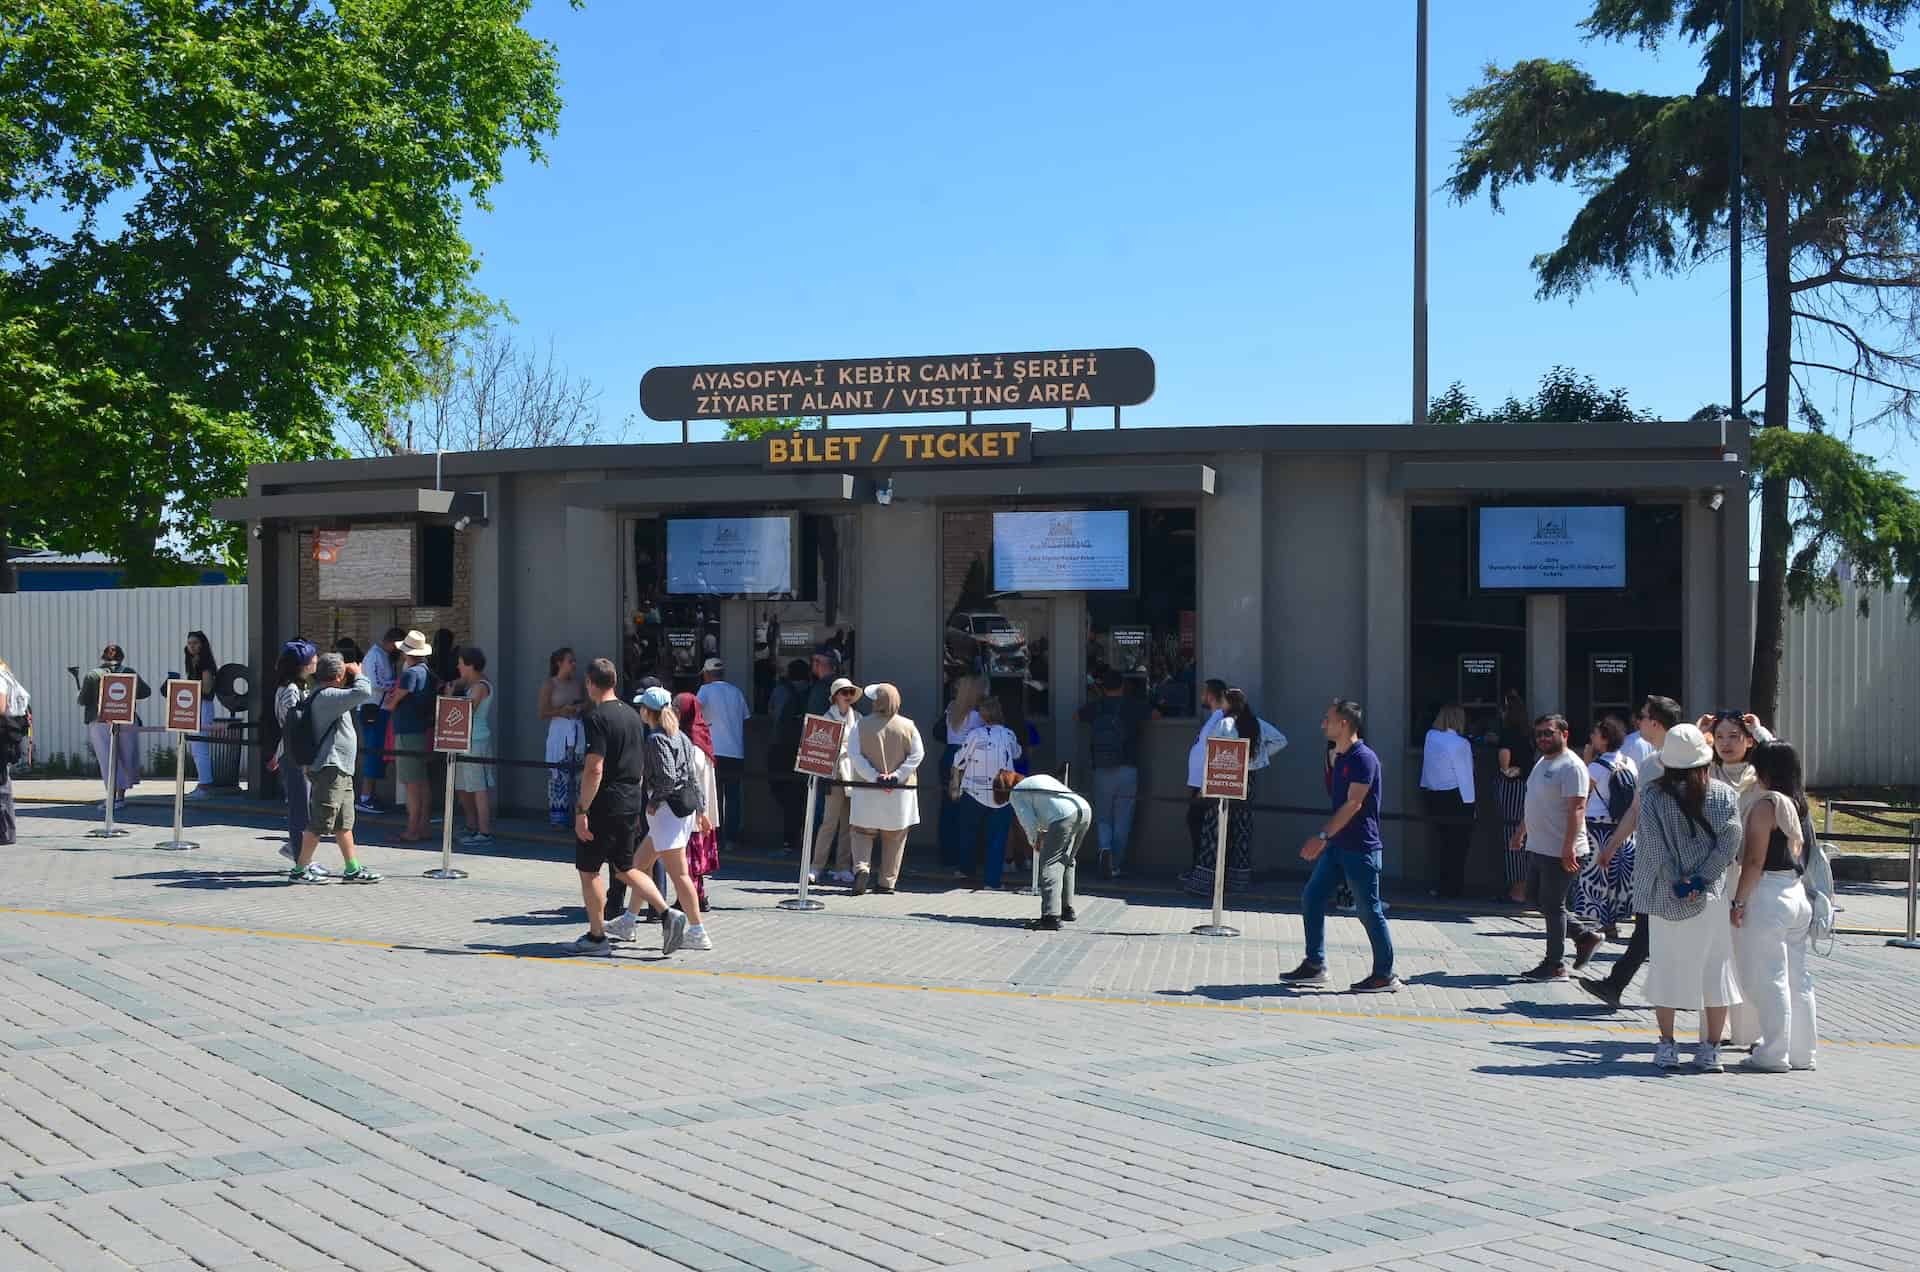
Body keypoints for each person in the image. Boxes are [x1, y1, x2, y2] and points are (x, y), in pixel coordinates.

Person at [1632, 724, 1743, 1071]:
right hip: (1710, 896)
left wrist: (1677, 880)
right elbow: (1730, 841)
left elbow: (1652, 845)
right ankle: (1710, 1050)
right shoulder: (1725, 795)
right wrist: (1702, 878)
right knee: (1715, 970)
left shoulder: (1653, 795)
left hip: (1666, 897)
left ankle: (1667, 1045)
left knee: (1665, 968)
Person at [1283, 700, 1399, 993]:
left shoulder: (1363, 758)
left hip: (1360, 848)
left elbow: (1353, 803)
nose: (1323, 724)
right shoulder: (1339, 756)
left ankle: (1385, 975)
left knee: (1368, 910)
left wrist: (1321, 837)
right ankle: (1315, 965)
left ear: (1344, 723)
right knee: (1312, 896)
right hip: (1338, 845)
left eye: (1328, 719)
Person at [572, 663, 686, 957]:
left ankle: (597, 937)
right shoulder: (632, 716)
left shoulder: (596, 717)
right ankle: (666, 912)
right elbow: (638, 765)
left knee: (589, 871)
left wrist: (582, 810)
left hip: (604, 802)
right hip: (629, 800)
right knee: (625, 867)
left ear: (590, 683)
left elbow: (594, 768)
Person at [1581, 694, 1685, 1010]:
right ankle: (1618, 984)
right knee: (1647, 926)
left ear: (1654, 722)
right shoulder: (1653, 761)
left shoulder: (1673, 761)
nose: (1637, 722)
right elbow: (1637, 810)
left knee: (1661, 928)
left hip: (1676, 859)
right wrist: (1612, 845)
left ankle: (1676, 991)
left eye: (1642, 716)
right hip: (1653, 857)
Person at [1730, 740, 1820, 1073]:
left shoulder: (1766, 805)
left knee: (1769, 977)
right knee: (1798, 978)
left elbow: (1754, 860)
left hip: (1768, 893)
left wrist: (1739, 900)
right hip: (1795, 892)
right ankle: (1802, 1052)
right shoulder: (1800, 802)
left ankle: (1773, 1052)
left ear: (1766, 770)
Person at [608, 687, 714, 950]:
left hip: (666, 814)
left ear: (648, 711)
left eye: (641, 707)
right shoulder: (682, 737)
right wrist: (701, 811)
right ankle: (629, 921)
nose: (639, 710)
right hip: (679, 813)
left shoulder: (656, 739)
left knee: (679, 875)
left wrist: (654, 801)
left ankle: (698, 931)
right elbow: (691, 778)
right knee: (639, 866)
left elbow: (668, 778)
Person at [1509, 715, 1603, 981]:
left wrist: (1569, 846)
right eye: (1538, 734)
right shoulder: (1542, 762)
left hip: (1562, 851)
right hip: (1540, 847)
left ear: (1564, 734)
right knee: (1535, 899)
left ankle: (1555, 965)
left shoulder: (1571, 766)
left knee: (1553, 905)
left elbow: (1577, 808)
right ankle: (1585, 936)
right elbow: (1534, 802)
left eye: (1548, 733)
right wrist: (1520, 832)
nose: (1542, 738)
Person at [289, 653, 383, 885]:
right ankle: (300, 869)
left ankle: (352, 869)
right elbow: (363, 692)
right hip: (330, 768)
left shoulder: (330, 696)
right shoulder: (328, 695)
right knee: (321, 821)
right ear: (339, 676)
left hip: (340, 769)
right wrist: (359, 673)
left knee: (343, 822)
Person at [1184, 688, 1266, 899]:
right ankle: (1238, 881)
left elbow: (1212, 751)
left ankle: (1205, 882)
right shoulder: (1254, 722)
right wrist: (1255, 760)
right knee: (1242, 829)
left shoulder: (1225, 723)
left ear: (1228, 704)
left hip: (1224, 777)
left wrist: (1205, 784)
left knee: (1214, 828)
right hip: (1247, 780)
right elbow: (1279, 739)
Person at [848, 683, 924, 895]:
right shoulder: (908, 726)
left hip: (867, 789)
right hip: (899, 792)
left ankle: (862, 867)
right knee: (895, 837)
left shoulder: (861, 725)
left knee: (861, 832)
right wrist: (896, 776)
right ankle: (887, 882)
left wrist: (875, 777)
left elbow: (855, 755)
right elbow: (917, 755)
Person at [1076, 669, 1151, 880]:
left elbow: (1076, 716)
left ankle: (1104, 851)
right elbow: (1156, 715)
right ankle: (1115, 864)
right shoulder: (1133, 705)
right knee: (1123, 818)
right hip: (1128, 768)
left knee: (1103, 816)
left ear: (1103, 687)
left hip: (1101, 768)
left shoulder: (1097, 706)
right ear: (1123, 686)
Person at [996, 769, 1092, 930]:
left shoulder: (1016, 793)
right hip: (1084, 810)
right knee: (1067, 861)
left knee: (1049, 864)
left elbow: (1029, 822)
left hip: (1064, 817)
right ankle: (1066, 909)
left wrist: (1034, 841)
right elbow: (1050, 807)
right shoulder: (1040, 778)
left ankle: (1051, 917)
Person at [1570, 714, 1638, 937]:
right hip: (1622, 827)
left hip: (1597, 826)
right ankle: (1612, 922)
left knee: (1595, 876)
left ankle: (1596, 923)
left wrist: (1587, 761)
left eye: (1596, 734)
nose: (1591, 736)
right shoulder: (1629, 762)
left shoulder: (1597, 767)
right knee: (1617, 877)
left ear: (1605, 739)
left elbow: (1582, 792)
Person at [949, 697, 1023, 888]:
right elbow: (1017, 753)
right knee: (997, 838)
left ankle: (965, 870)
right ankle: (992, 881)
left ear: (982, 716)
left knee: (968, 832)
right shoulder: (1008, 734)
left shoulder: (974, 734)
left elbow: (959, 760)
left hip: (974, 790)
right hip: (1001, 792)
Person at [78, 644, 150, 807]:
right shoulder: (129, 672)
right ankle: (120, 797)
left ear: (103, 657)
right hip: (126, 718)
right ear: (121, 657)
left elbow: (83, 700)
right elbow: (146, 692)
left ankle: (111, 796)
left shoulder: (92, 675)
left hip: (100, 720)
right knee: (125, 757)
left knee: (107, 759)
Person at [269, 640, 319, 867]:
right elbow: (292, 725)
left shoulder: (299, 686)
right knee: (300, 809)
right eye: (312, 657)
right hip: (294, 755)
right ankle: (302, 861)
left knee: (304, 805)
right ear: (302, 664)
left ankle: (298, 851)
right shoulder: (290, 690)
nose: (316, 660)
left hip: (294, 753)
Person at [1418, 703, 1476, 898]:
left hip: (1433, 794)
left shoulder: (1430, 737)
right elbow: (1465, 776)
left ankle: (1442, 886)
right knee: (1458, 845)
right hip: (1456, 797)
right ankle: (1454, 888)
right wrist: (1471, 805)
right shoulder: (1461, 744)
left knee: (1442, 843)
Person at [384, 630, 435, 841]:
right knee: (422, 782)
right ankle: (423, 826)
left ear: (407, 653)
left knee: (411, 785)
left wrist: (391, 700)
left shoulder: (410, 674)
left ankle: (412, 830)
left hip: (407, 732)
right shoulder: (428, 673)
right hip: (422, 730)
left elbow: (393, 701)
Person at [808, 677, 861, 886]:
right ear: (835, 696)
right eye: (844, 692)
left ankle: (843, 866)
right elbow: (822, 748)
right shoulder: (825, 718)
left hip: (854, 776)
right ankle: (816, 866)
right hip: (834, 775)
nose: (848, 696)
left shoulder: (858, 717)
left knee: (849, 824)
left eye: (850, 693)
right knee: (828, 823)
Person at [673, 691, 720, 911]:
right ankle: (698, 896)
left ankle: (688, 899)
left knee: (689, 858)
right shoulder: (702, 735)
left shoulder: (691, 742)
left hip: (693, 811)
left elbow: (692, 775)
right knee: (694, 857)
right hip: (702, 810)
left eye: (677, 708)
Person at [1180, 679, 1229, 888]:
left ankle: (1202, 871)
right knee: (1196, 824)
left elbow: (1216, 752)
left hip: (1205, 786)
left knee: (1199, 825)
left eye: (1204, 692)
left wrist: (1205, 785)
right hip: (1200, 784)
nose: (1201, 696)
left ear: (1210, 695)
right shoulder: (1214, 718)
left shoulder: (1220, 719)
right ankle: (1199, 869)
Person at [696, 658, 750, 849]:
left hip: (715, 751)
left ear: (708, 674)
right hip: (736, 751)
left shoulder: (705, 690)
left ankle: (715, 838)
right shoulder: (736, 692)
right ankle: (732, 839)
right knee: (733, 797)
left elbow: (694, 711)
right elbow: (746, 717)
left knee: (714, 797)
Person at [937, 675, 986, 875]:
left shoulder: (951, 709)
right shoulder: (976, 716)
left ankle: (947, 855)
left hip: (949, 755)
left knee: (947, 807)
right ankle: (964, 856)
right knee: (966, 810)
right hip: (967, 758)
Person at [767, 658, 813, 854]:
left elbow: (772, 713)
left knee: (783, 793)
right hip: (806, 750)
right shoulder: (813, 691)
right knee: (804, 795)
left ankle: (790, 838)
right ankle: (803, 837)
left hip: (780, 747)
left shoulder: (780, 690)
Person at [356, 627, 403, 814]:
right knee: (373, 751)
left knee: (377, 751)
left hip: (381, 709)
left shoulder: (384, 656)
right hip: (373, 709)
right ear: (392, 642)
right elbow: (374, 683)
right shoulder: (374, 656)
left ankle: (370, 795)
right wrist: (396, 685)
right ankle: (365, 797)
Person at [453, 647, 495, 847]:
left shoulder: (480, 686)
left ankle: (484, 831)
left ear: (470, 665)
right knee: (463, 786)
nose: (458, 666)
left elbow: (466, 712)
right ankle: (471, 825)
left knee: (478, 787)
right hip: (463, 740)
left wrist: (451, 695)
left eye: (461, 663)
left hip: (476, 740)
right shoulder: (472, 684)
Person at [1494, 690, 1533, 904]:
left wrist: (1505, 770)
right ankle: (1526, 887)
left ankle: (1517, 890)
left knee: (1512, 834)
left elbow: (1505, 765)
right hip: (1526, 787)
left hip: (1511, 789)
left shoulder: (1507, 734)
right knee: (1525, 835)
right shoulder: (1528, 734)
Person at [540, 647, 587, 827]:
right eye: (570, 661)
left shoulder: (577, 683)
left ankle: (579, 817)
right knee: (559, 776)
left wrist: (579, 707)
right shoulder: (550, 684)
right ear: (559, 663)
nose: (574, 664)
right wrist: (561, 711)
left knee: (579, 777)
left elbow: (588, 703)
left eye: (574, 661)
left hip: (577, 733)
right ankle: (559, 819)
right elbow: (542, 712)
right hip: (560, 734)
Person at [183, 630, 220, 797]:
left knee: (200, 745)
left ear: (202, 645)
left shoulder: (205, 664)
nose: (192, 646)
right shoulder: (191, 662)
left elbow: (206, 688)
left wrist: (190, 685)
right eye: (190, 643)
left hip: (203, 704)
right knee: (195, 747)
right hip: (193, 704)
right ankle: (202, 782)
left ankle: (205, 785)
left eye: (195, 643)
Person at [0, 658, 29, 846]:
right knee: (3, 784)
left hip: (2, 733)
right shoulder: (6, 675)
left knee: (2, 786)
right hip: (6, 734)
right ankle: (6, 833)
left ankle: (5, 833)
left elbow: (1, 707)